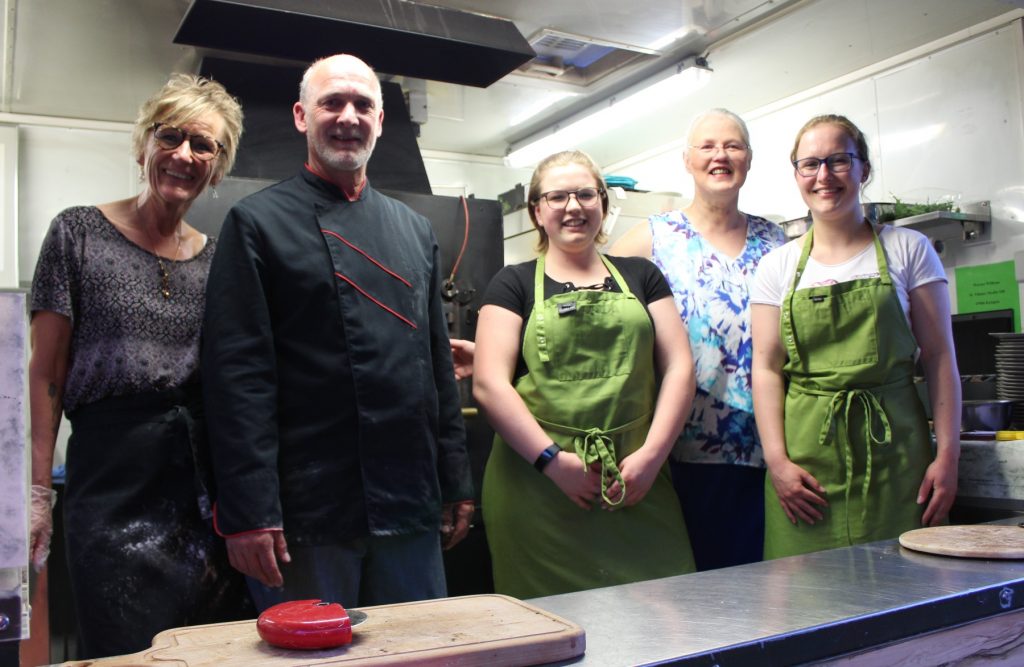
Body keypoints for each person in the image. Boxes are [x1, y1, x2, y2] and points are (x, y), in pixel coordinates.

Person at [201, 53, 474, 611]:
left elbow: (435, 372)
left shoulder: (414, 230)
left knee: (419, 648)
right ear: (302, 116)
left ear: (380, 122)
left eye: (362, 105)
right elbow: (238, 379)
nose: (349, 117)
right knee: (314, 653)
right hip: (307, 512)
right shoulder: (256, 223)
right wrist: (249, 511)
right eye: (332, 103)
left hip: (408, 504)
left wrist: (455, 481)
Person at [27, 74, 248, 658]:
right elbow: (45, 373)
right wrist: (36, 493)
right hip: (108, 483)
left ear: (218, 167)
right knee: (123, 646)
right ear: (143, 143)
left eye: (203, 145)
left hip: (196, 489)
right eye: (169, 136)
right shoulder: (77, 233)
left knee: (207, 647)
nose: (183, 155)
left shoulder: (218, 260)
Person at [473, 149, 697, 598]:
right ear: (538, 212)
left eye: (585, 194)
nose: (573, 206)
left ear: (603, 204)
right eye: (557, 197)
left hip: (636, 479)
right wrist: (553, 462)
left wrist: (652, 458)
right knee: (552, 623)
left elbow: (679, 366)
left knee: (669, 611)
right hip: (538, 490)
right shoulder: (512, 283)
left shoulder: (642, 276)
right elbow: (489, 384)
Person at [750, 114, 960, 559]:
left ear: (864, 169)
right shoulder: (776, 266)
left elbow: (940, 357)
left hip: (898, 458)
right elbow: (766, 369)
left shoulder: (909, 249)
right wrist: (778, 462)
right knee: (805, 595)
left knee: (907, 585)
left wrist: (948, 456)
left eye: (839, 160)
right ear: (797, 175)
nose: (824, 175)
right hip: (806, 469)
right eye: (810, 164)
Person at [611, 109, 786, 570]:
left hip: (768, 452)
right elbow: (593, 304)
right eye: (707, 146)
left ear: (749, 159)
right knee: (689, 588)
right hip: (675, 453)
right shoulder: (652, 238)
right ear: (687, 160)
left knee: (762, 583)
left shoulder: (776, 241)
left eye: (732, 146)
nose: (720, 156)